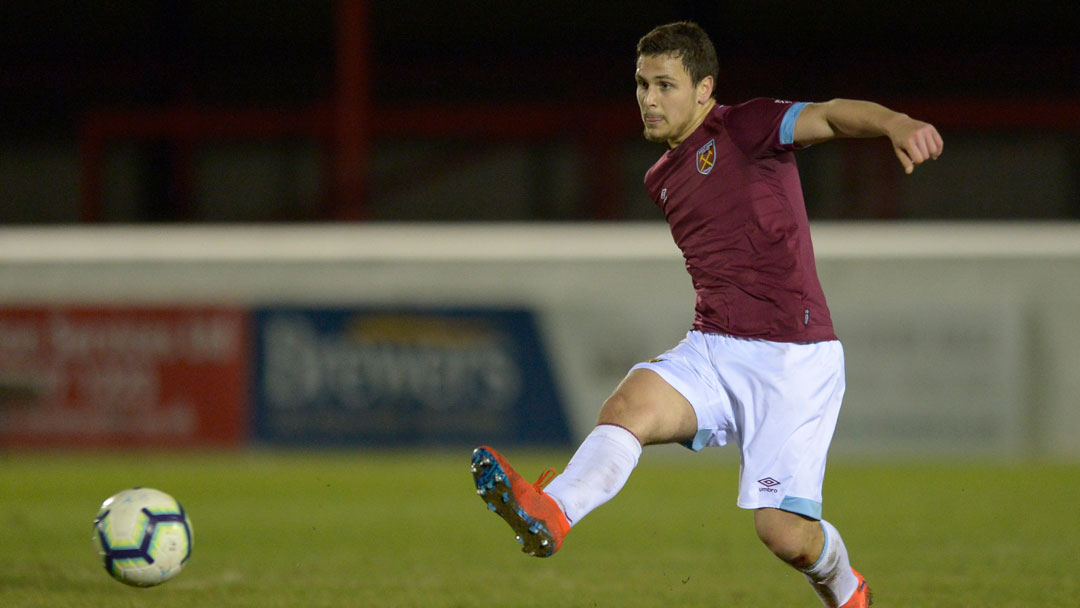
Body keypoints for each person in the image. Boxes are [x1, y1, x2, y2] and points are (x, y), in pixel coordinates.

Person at [471, 20, 942, 608]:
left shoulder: (746, 127)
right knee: (628, 405)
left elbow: (831, 113)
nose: (648, 99)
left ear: (704, 89)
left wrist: (897, 123)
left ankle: (848, 592)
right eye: (641, 85)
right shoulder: (660, 177)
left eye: (665, 85)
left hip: (793, 359)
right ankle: (554, 511)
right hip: (715, 347)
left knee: (785, 535)